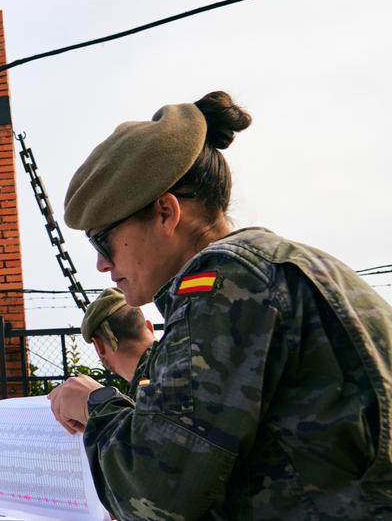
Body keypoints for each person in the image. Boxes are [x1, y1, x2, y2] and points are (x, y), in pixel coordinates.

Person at [48, 91, 392, 518]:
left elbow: (155, 495)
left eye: (102, 241)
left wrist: (94, 404)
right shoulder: (270, 263)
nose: (101, 264)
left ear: (165, 212)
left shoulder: (223, 279)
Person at [79, 287, 155, 391]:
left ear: (98, 346)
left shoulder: (145, 390)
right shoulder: (176, 356)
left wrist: (98, 401)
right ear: (150, 327)